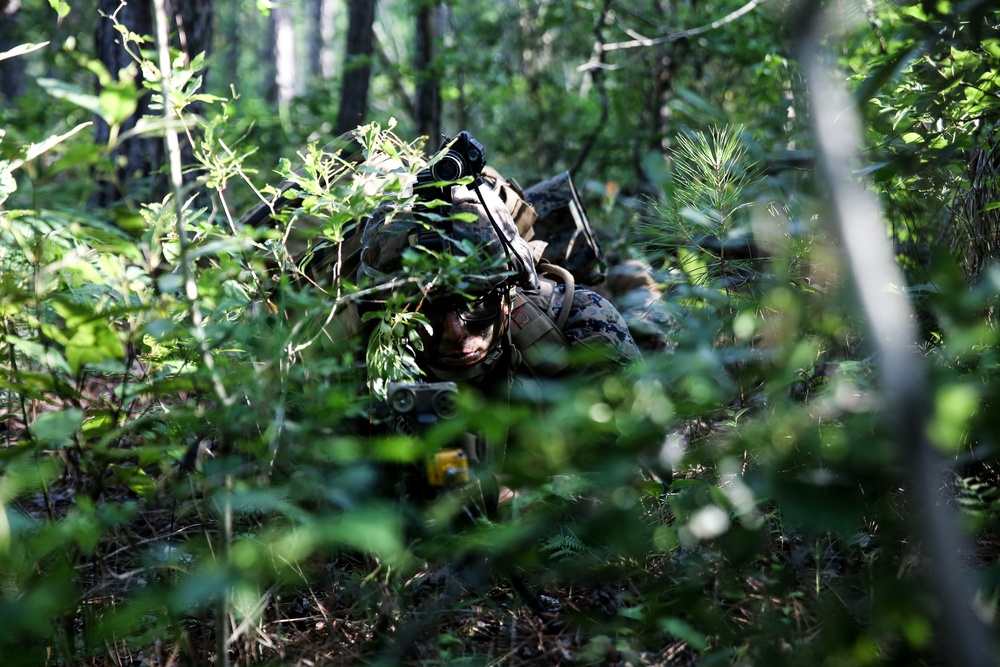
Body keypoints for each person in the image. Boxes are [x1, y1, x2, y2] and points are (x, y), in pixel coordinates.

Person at [350, 136, 641, 517]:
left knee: (646, 311)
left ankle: (635, 279)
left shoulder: (581, 327)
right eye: (429, 312)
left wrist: (525, 501)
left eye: (476, 303)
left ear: (508, 294)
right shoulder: (361, 365)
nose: (456, 332)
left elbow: (643, 474)